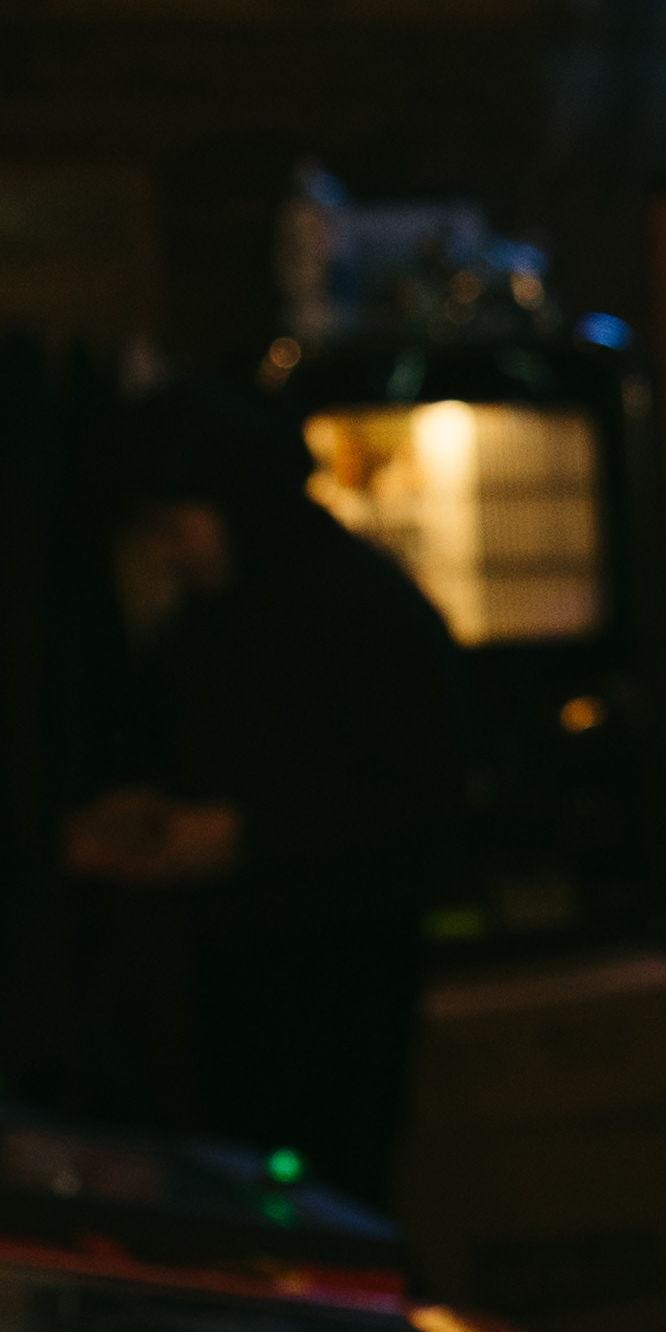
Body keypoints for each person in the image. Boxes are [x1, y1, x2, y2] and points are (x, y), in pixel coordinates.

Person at [52, 379, 464, 1207]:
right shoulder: (215, 615)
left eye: (176, 527)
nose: (167, 551)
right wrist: (147, 815)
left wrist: (243, 836)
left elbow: (415, 802)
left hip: (343, 975)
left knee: (327, 1201)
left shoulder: (366, 609)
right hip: (234, 971)